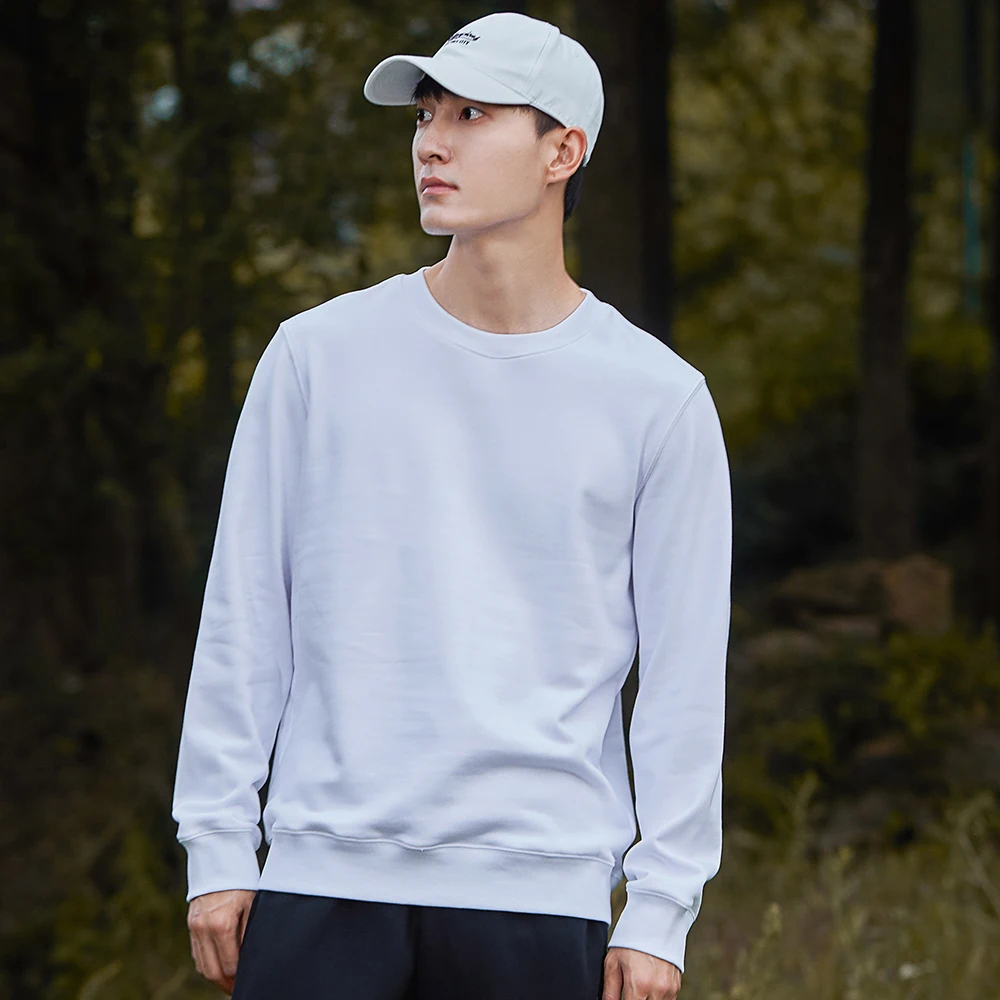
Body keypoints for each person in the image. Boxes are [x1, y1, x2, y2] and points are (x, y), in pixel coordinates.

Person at [171, 10, 732, 1000]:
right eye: (426, 115)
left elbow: (683, 681)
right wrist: (218, 838)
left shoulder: (656, 398)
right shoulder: (317, 357)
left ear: (563, 151)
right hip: (322, 876)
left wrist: (661, 905)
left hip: (538, 891)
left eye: (473, 114)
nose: (432, 141)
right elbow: (246, 612)